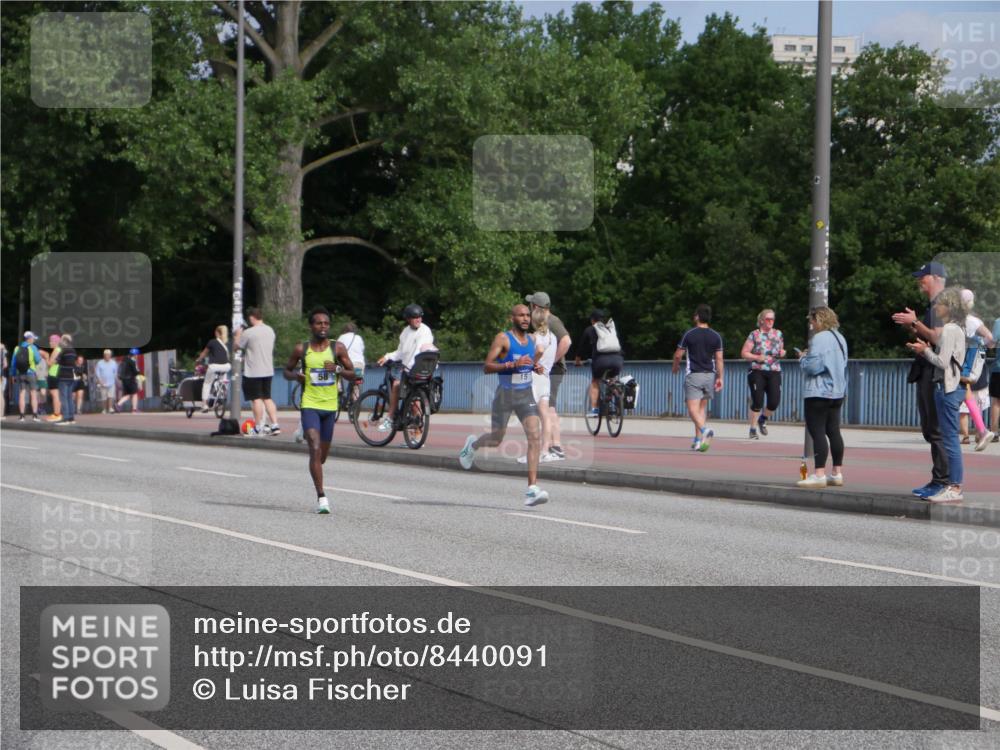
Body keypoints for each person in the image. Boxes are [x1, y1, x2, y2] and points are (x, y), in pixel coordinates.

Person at [458, 304, 550, 506]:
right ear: (512, 318)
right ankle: (472, 445)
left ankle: (532, 490)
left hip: (525, 394)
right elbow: (487, 366)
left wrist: (535, 367)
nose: (525, 319)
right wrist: (511, 365)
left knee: (535, 436)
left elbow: (526, 363)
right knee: (496, 439)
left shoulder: (532, 340)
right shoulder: (503, 338)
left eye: (527, 315)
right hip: (505, 396)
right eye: (521, 315)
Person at [284, 307, 355, 514]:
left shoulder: (337, 348)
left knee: (321, 457)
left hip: (330, 407)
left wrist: (338, 369)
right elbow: (287, 371)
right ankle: (321, 497)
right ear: (311, 326)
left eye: (326, 323)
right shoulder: (301, 349)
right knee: (314, 448)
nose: (323, 327)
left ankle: (308, 445)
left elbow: (353, 374)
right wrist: (296, 376)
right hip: (310, 404)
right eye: (318, 323)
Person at [892, 262, 950, 498]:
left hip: (936, 374)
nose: (919, 281)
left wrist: (915, 323)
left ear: (936, 278)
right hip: (926, 370)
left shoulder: (943, 304)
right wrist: (914, 330)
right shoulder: (934, 305)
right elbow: (931, 338)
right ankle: (939, 479)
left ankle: (944, 481)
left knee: (936, 430)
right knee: (930, 430)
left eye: (923, 277)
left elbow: (938, 337)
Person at [906, 287, 967, 503]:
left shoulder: (950, 329)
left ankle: (954, 486)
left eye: (939, 304)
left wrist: (925, 351)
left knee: (950, 440)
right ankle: (951, 485)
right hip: (952, 388)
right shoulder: (956, 328)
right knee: (949, 438)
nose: (935, 307)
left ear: (949, 306)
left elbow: (942, 362)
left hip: (947, 388)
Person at [796, 307, 848, 488]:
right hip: (838, 391)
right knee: (833, 431)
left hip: (819, 391)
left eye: (812, 321)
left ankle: (819, 474)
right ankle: (837, 473)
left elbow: (814, 367)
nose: (811, 325)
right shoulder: (840, 338)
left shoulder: (819, 339)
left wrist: (803, 359)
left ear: (819, 319)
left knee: (817, 431)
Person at [672, 304, 724, 452]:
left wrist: (675, 367)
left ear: (697, 317)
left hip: (694, 375)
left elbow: (678, 355)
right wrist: (721, 377)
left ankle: (704, 430)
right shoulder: (716, 336)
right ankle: (698, 441)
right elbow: (719, 359)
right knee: (701, 409)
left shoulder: (690, 334)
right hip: (710, 375)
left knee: (692, 409)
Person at [526, 292, 571, 460]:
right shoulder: (545, 323)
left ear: (536, 307)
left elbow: (566, 341)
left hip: (552, 370)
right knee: (548, 408)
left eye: (531, 306)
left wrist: (552, 361)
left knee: (548, 409)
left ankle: (556, 446)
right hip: (549, 370)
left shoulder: (552, 321)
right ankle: (554, 446)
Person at [377, 304, 434, 432]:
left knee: (397, 385)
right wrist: (386, 357)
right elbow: (400, 352)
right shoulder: (405, 332)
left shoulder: (424, 331)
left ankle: (389, 419)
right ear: (408, 319)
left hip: (418, 369)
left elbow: (418, 353)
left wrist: (407, 368)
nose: (418, 319)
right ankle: (417, 436)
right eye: (415, 317)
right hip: (413, 370)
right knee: (414, 401)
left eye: (420, 316)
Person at [518, 307, 557, 463]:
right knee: (544, 415)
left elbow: (539, 350)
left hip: (534, 377)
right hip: (546, 377)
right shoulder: (553, 337)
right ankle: (544, 451)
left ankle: (532, 454)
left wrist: (531, 363)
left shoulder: (535, 337)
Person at [957, 289, 994, 450]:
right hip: (971, 363)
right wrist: (978, 342)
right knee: (967, 396)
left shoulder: (954, 320)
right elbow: (991, 339)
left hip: (959, 361)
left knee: (955, 396)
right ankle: (981, 430)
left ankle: (977, 431)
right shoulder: (974, 321)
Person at [235, 307, 280, 435]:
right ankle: (275, 425)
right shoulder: (270, 330)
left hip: (253, 371)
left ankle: (258, 426)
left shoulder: (249, 332)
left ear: (251, 318)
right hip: (268, 369)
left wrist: (238, 335)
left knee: (256, 399)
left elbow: (237, 347)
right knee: (267, 398)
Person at [741, 309, 785, 439]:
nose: (771, 321)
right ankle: (753, 429)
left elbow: (780, 350)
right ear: (761, 320)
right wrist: (756, 357)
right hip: (757, 370)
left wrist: (783, 353)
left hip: (774, 370)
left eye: (772, 319)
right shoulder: (754, 334)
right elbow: (744, 353)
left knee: (774, 402)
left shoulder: (778, 333)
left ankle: (763, 419)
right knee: (758, 401)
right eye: (768, 319)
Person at [574, 309, 624, 416]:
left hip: (601, 361)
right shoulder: (611, 329)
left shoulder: (590, 329)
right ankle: (617, 395)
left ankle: (594, 410)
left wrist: (578, 361)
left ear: (592, 320)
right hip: (617, 360)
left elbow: (581, 348)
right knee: (611, 380)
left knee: (595, 381)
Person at [10, 331, 44, 422]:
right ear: (29, 339)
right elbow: (38, 360)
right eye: (33, 338)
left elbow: (13, 363)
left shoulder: (17, 348)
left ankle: (22, 416)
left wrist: (13, 375)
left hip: (20, 373)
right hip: (31, 373)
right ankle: (35, 416)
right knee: (33, 393)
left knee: (22, 393)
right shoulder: (33, 347)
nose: (34, 340)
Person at [197, 325, 231, 412]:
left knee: (207, 383)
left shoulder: (212, 342)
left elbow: (204, 353)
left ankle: (204, 404)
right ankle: (222, 393)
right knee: (223, 379)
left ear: (217, 333)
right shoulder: (227, 343)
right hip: (226, 366)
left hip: (214, 366)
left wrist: (198, 359)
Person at [336, 321, 366, 407]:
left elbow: (336, 350)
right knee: (357, 382)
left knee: (337, 372)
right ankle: (356, 402)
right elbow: (362, 350)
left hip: (347, 364)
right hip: (359, 364)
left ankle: (339, 388)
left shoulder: (341, 337)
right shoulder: (359, 338)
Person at [54, 335, 78, 425]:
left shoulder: (63, 351)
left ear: (65, 342)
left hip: (63, 376)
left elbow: (57, 361)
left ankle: (66, 418)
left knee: (63, 398)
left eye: (61, 341)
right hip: (71, 376)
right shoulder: (73, 351)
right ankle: (71, 418)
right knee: (69, 398)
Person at [115, 348, 142, 413]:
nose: (137, 356)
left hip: (124, 380)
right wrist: (139, 374)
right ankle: (134, 409)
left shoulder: (124, 360)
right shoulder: (132, 361)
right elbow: (136, 372)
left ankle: (118, 404)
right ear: (135, 355)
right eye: (136, 354)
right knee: (134, 394)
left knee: (128, 394)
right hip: (131, 379)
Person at [45, 333, 63, 421]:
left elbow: (50, 363)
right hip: (57, 374)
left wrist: (45, 356)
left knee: (55, 395)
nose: (50, 343)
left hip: (54, 374)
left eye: (51, 341)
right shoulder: (60, 350)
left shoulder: (57, 350)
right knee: (56, 395)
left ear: (56, 342)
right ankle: (57, 413)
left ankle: (57, 414)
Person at [94, 349, 118, 413]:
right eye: (106, 355)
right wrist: (99, 380)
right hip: (103, 382)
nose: (107, 356)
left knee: (111, 396)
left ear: (110, 355)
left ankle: (110, 408)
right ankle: (104, 409)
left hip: (111, 382)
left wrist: (114, 379)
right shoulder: (100, 363)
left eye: (109, 355)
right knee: (104, 397)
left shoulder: (113, 363)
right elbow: (97, 372)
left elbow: (115, 372)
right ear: (104, 355)